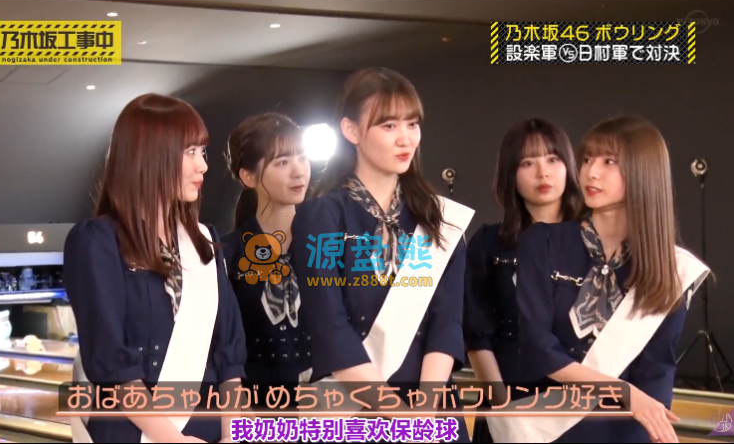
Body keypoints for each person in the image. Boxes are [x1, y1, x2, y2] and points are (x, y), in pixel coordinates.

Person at [487, 116, 711, 443]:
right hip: (540, 427)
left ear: (643, 172)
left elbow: (656, 371)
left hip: (623, 429)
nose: (591, 172)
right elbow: (538, 348)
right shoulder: (542, 242)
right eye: (588, 159)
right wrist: (623, 392)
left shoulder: (671, 268)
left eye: (609, 162)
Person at [291, 67, 474, 442]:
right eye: (389, 126)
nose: (405, 138)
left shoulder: (439, 217)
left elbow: (446, 324)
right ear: (351, 130)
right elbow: (330, 327)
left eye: (412, 124)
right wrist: (399, 416)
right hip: (351, 408)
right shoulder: (322, 216)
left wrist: (424, 412)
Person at [64, 93, 247, 443]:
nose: (203, 166)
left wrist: (232, 434)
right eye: (190, 152)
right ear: (151, 155)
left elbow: (228, 355)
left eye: (203, 152)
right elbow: (112, 363)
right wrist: (173, 440)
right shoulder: (97, 241)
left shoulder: (203, 240)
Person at [464, 119, 582, 443]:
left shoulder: (593, 242)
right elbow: (477, 335)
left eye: (552, 159)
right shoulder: (488, 243)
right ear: (510, 173)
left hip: (580, 402)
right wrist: (502, 405)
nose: (543, 173)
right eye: (527, 163)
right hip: (507, 396)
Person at [221, 112, 313, 409]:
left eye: (302, 158)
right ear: (248, 176)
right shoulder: (227, 254)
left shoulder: (329, 245)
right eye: (282, 162)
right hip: (255, 411)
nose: (298, 172)